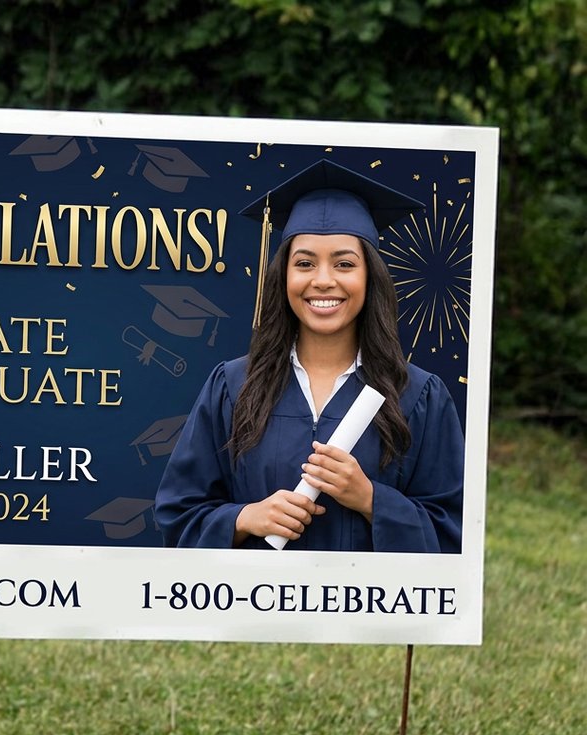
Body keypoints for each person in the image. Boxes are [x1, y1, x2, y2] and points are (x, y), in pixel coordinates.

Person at [154, 160, 463, 552]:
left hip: (365, 612)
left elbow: (453, 537)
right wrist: (244, 519)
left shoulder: (418, 396)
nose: (322, 280)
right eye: (304, 263)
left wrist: (372, 501)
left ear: (370, 277)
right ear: (283, 276)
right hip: (254, 608)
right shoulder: (233, 387)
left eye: (344, 264)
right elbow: (178, 517)